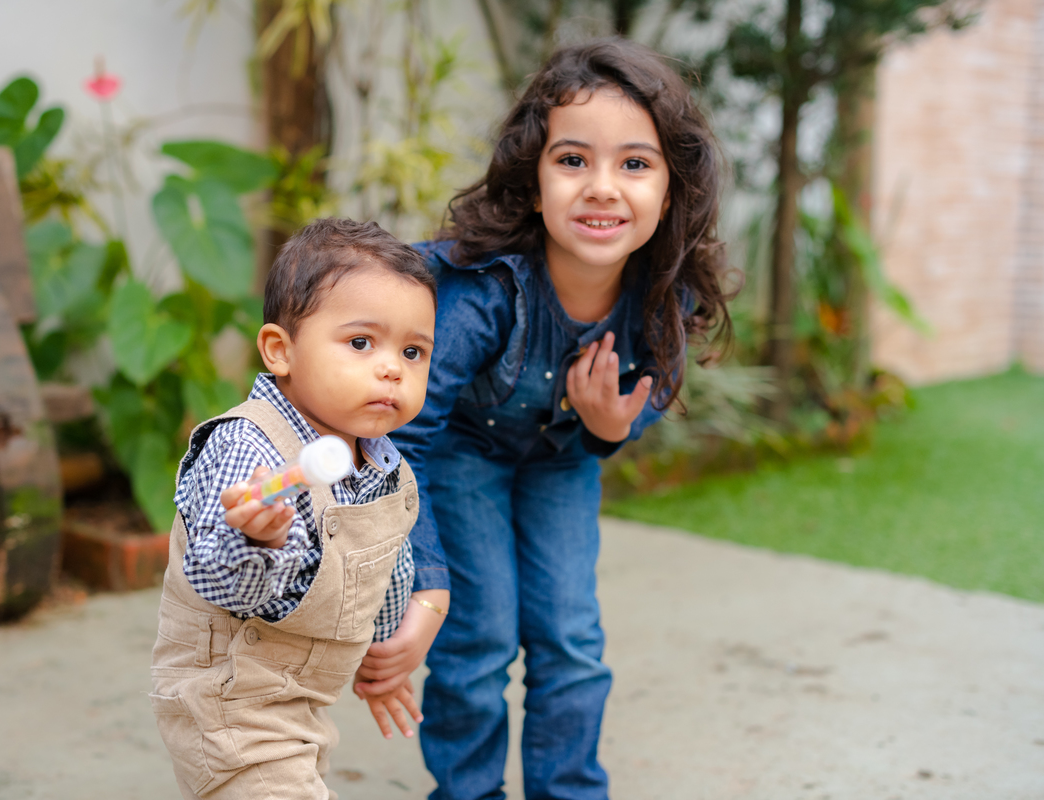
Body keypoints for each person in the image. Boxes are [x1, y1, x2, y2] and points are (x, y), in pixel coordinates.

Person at [353, 39, 734, 800]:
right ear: (533, 183)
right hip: (458, 456)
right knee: (478, 636)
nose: (602, 188)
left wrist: (611, 427)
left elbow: (647, 400)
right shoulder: (485, 293)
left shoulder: (665, 295)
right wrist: (425, 586)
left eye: (635, 163)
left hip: (563, 465)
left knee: (571, 638)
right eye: (572, 160)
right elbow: (402, 438)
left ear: (670, 193)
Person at [149, 217, 448, 800]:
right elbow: (220, 583)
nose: (392, 367)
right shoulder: (250, 448)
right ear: (280, 350)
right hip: (228, 705)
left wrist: (381, 659)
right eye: (361, 343)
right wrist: (256, 540)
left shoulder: (384, 465)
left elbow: (385, 568)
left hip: (299, 705)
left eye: (413, 351)